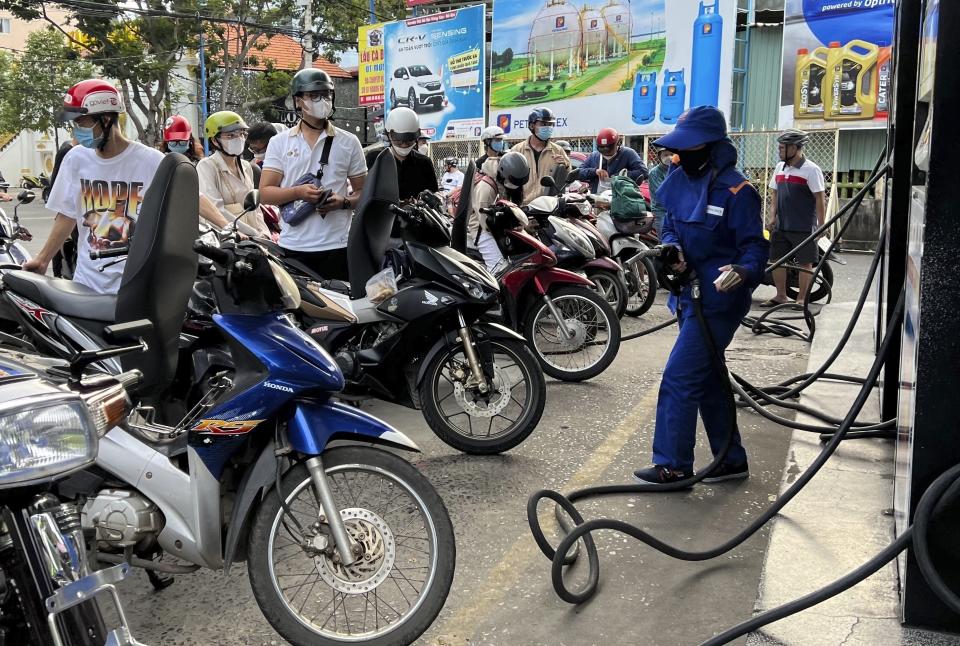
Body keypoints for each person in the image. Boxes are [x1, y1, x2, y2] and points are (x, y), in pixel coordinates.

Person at [632, 106, 768, 486]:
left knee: (679, 377)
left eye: (689, 149)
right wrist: (672, 250)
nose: (681, 156)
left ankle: (673, 464)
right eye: (679, 150)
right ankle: (730, 459)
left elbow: (755, 248)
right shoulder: (679, 180)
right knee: (707, 378)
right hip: (687, 297)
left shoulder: (738, 192)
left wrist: (742, 271)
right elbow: (671, 225)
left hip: (719, 303)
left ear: (711, 147)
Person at [22, 79, 166, 294]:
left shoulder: (152, 161)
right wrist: (43, 260)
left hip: (136, 287)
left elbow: (194, 198)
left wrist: (228, 226)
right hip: (86, 283)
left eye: (82, 121)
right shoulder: (76, 159)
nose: (77, 129)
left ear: (106, 119)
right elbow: (67, 215)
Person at [260, 69, 367, 281]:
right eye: (314, 95)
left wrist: (344, 202)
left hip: (338, 246)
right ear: (298, 101)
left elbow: (364, 191)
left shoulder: (348, 142)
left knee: (341, 310)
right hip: (292, 248)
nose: (323, 100)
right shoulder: (280, 142)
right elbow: (265, 193)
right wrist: (298, 192)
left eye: (327, 94)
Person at [764, 129, 826, 308]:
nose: (779, 151)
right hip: (781, 226)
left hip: (803, 226)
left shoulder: (811, 170)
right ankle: (781, 295)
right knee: (777, 260)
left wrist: (822, 225)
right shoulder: (779, 167)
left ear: (795, 148)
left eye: (782, 148)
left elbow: (819, 197)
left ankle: (801, 299)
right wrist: (772, 216)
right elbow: (774, 193)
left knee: (805, 263)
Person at [197, 111, 271, 239]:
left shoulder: (247, 167)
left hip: (253, 241)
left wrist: (264, 233)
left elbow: (255, 208)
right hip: (225, 240)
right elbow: (216, 210)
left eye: (242, 134)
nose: (239, 138)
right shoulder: (207, 166)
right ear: (215, 140)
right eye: (230, 135)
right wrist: (251, 234)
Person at [470, 151, 529, 272]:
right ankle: (492, 289)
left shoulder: (512, 177)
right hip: (482, 228)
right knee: (499, 267)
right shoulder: (486, 187)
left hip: (502, 224)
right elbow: (485, 223)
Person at [365, 107, 438, 200]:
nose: (404, 145)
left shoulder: (424, 163)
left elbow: (433, 194)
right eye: (399, 141)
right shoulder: (375, 158)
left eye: (409, 141)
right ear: (388, 136)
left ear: (416, 137)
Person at [510, 107, 569, 204]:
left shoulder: (558, 150)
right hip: (524, 207)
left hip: (548, 207)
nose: (548, 127)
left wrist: (565, 166)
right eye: (543, 124)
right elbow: (508, 180)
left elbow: (567, 177)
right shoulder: (517, 150)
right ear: (532, 126)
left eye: (550, 124)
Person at [577, 127, 648, 195]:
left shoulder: (628, 154)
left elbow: (643, 172)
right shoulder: (594, 156)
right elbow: (579, 172)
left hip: (621, 198)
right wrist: (595, 171)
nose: (605, 151)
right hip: (598, 198)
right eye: (602, 148)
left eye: (608, 149)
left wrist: (621, 176)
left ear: (617, 144)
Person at [647, 144, 673, 232]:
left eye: (671, 154)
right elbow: (661, 194)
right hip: (661, 211)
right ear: (659, 157)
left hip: (675, 211)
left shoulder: (677, 170)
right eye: (665, 155)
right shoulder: (654, 173)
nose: (669, 157)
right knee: (665, 240)